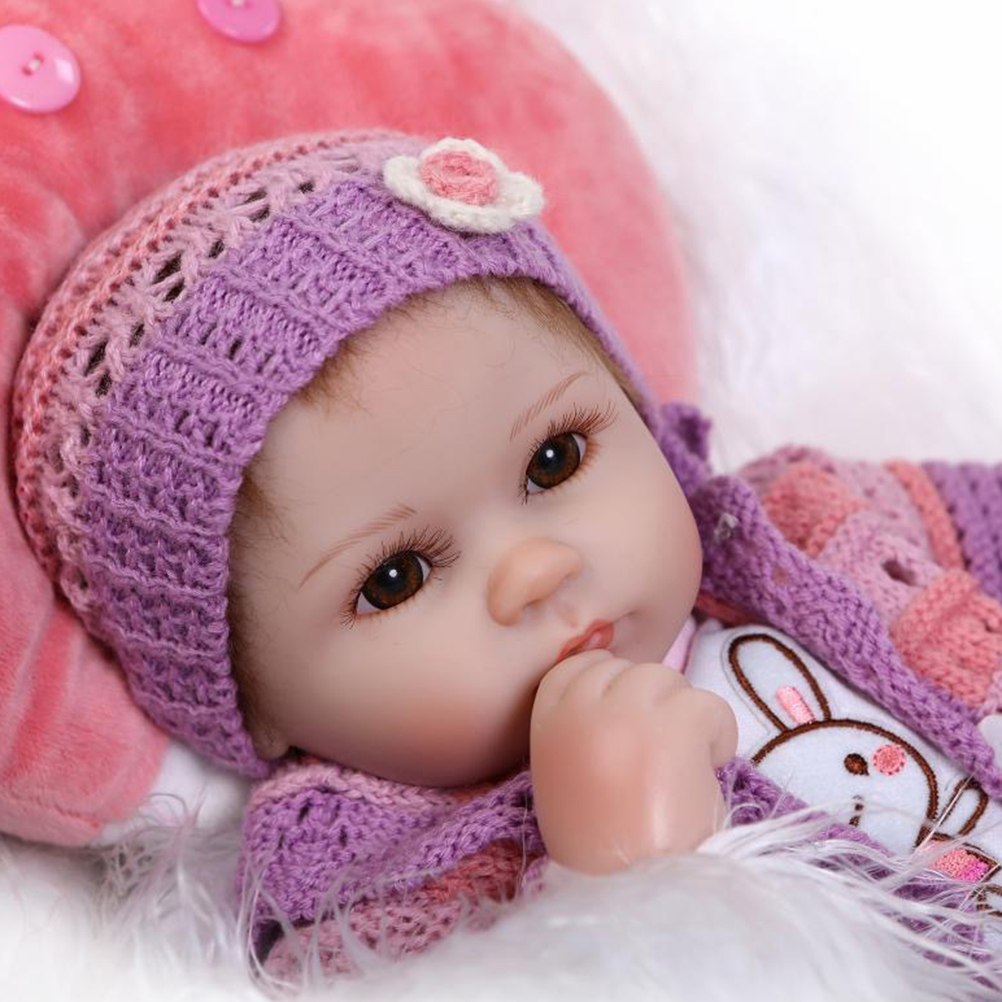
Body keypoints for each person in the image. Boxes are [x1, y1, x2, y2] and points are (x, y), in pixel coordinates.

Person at [11, 128, 1002, 989]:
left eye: (555, 458)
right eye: (396, 576)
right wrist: (623, 873)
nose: (535, 570)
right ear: (254, 707)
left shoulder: (809, 526)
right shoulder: (371, 889)